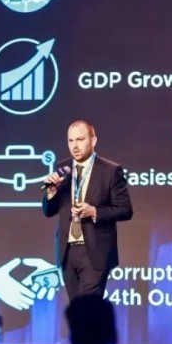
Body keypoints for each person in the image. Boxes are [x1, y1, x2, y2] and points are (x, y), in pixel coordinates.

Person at [42, 120, 133, 299]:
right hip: (67, 252)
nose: (75, 146)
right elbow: (49, 211)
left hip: (94, 252)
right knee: (77, 309)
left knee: (88, 308)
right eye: (71, 140)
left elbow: (125, 209)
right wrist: (51, 193)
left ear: (93, 140)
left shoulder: (110, 170)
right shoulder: (63, 169)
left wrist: (94, 212)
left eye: (80, 139)